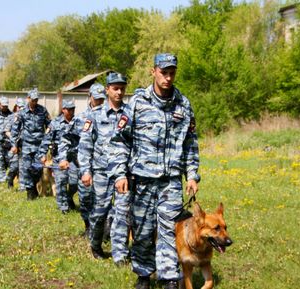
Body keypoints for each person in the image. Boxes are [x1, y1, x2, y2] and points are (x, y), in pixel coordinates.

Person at [110, 53, 200, 289]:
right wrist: (120, 174)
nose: (168, 78)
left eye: (172, 73)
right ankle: (143, 274)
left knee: (169, 229)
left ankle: (169, 277)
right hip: (142, 180)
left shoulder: (183, 104)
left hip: (171, 181)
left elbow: (190, 143)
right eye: (164, 72)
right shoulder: (138, 103)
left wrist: (192, 174)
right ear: (154, 71)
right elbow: (120, 141)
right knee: (142, 230)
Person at [78, 73, 130, 261]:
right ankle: (96, 245)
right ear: (107, 89)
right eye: (115, 88)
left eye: (122, 88)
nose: (119, 92)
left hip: (123, 174)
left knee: (123, 213)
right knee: (99, 214)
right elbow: (85, 145)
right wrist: (85, 170)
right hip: (101, 173)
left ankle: (120, 254)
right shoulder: (94, 114)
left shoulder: (130, 113)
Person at [58, 83, 106, 237]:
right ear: (90, 97)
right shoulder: (80, 119)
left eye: (102, 99)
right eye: (96, 99)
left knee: (102, 200)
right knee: (85, 199)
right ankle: (88, 227)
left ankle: (104, 231)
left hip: (103, 167)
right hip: (84, 167)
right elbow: (65, 139)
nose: (99, 102)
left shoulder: (109, 116)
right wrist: (63, 158)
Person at [37, 99, 78, 214]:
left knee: (75, 183)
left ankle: (69, 197)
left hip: (73, 158)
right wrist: (42, 154)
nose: (71, 111)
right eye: (69, 109)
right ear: (63, 110)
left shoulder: (78, 121)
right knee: (60, 182)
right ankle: (63, 208)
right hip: (58, 157)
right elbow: (46, 139)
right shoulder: (55, 123)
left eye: (73, 109)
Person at [10, 88, 51, 200]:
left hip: (40, 146)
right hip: (27, 145)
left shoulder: (43, 111)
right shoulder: (22, 113)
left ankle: (33, 187)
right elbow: (14, 129)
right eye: (33, 100)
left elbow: (50, 126)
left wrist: (48, 139)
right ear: (28, 99)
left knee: (37, 170)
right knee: (27, 169)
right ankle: (30, 194)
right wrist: (13, 145)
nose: (35, 102)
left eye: (36, 99)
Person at [5, 98, 26, 189]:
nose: (21, 109)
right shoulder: (11, 117)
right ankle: (10, 180)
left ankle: (22, 187)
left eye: (23, 107)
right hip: (13, 146)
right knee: (14, 167)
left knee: (22, 166)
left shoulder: (27, 117)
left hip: (23, 145)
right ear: (16, 107)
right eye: (20, 107)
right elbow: (6, 131)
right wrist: (14, 139)